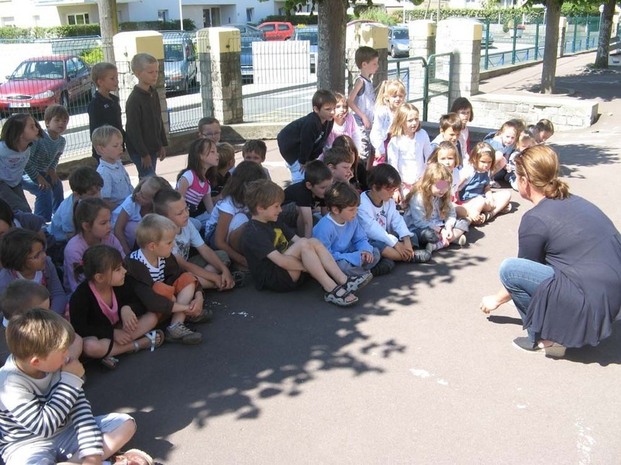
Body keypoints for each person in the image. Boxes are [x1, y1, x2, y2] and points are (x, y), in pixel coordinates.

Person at [480, 145, 621, 357]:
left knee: (510, 269)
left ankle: (545, 337)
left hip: (590, 303)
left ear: (525, 182)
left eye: (516, 176)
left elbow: (523, 271)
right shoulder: (575, 201)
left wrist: (496, 299)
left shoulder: (535, 219)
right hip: (612, 297)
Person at [0, 308, 152, 465]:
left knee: (125, 424)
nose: (68, 354)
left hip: (66, 432)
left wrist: (91, 453)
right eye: (62, 351)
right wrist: (70, 380)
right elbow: (44, 427)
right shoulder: (9, 383)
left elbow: (80, 410)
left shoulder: (58, 364)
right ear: (36, 361)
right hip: (27, 445)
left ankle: (80, 461)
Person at [241, 179, 367, 307]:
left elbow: (298, 240)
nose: (280, 210)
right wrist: (312, 267)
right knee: (304, 245)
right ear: (260, 208)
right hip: (275, 279)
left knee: (311, 241)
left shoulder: (273, 220)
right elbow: (281, 261)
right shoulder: (254, 232)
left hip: (288, 270)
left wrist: (314, 261)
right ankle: (331, 289)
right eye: (276, 206)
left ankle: (343, 280)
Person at [70, 245, 163, 369]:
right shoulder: (81, 296)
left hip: (123, 328)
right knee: (89, 346)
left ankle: (110, 352)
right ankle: (138, 344)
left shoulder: (123, 283)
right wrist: (111, 333)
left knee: (151, 318)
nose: (124, 271)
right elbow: (80, 328)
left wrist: (127, 308)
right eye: (118, 269)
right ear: (100, 277)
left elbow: (141, 304)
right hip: (102, 337)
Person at [122, 214, 207, 345]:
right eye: (169, 242)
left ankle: (176, 325)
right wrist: (186, 307)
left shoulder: (164, 255)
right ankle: (187, 314)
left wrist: (199, 297)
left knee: (187, 278)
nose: (173, 245)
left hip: (167, 305)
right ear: (152, 246)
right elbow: (151, 301)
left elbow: (184, 275)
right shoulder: (134, 265)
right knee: (159, 289)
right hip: (147, 308)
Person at [153, 188, 235, 292]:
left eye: (186, 209)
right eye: (180, 213)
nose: (186, 214)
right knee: (187, 277)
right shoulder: (164, 234)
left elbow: (204, 249)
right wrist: (214, 277)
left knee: (222, 256)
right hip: (173, 274)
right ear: (164, 217)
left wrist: (225, 270)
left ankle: (203, 284)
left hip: (189, 268)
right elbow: (183, 264)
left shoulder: (187, 224)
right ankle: (213, 283)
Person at [357, 164, 431, 265]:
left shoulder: (388, 201)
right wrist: (396, 244)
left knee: (410, 236)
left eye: (394, 189)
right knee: (380, 247)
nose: (392, 193)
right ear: (375, 187)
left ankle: (399, 255)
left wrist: (406, 239)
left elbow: (397, 220)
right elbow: (372, 229)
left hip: (388, 237)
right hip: (372, 240)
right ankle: (410, 256)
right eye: (388, 189)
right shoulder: (362, 204)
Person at [203, 161, 267, 270]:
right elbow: (219, 242)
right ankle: (242, 257)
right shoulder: (228, 205)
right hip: (214, 236)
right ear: (245, 186)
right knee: (241, 219)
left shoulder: (250, 198)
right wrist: (242, 259)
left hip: (233, 232)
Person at [313, 181, 380, 278]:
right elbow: (326, 256)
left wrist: (365, 251)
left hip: (350, 253)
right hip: (337, 259)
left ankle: (361, 273)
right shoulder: (324, 227)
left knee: (375, 252)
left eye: (356, 208)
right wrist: (354, 257)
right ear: (336, 210)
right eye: (351, 209)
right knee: (343, 266)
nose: (355, 212)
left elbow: (360, 239)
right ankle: (364, 274)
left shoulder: (352, 219)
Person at [403, 162, 469, 255]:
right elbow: (420, 222)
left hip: (439, 225)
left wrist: (448, 228)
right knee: (428, 235)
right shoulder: (418, 197)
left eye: (445, 186)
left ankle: (438, 244)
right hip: (421, 228)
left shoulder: (444, 195)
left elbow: (451, 213)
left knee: (464, 222)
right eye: (439, 186)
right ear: (428, 183)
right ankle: (452, 238)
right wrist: (441, 231)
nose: (443, 190)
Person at [63, 197, 125, 294]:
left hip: (112, 286)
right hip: (85, 296)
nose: (110, 226)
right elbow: (78, 286)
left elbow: (123, 262)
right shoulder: (74, 249)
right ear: (86, 226)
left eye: (109, 221)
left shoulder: (110, 238)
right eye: (103, 223)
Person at [0, 228, 66, 316]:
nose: (44, 256)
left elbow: (58, 293)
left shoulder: (47, 265)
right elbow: (12, 314)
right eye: (37, 255)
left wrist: (52, 317)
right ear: (19, 261)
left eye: (43, 250)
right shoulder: (6, 281)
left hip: (50, 316)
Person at [277, 89, 336, 183]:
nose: (332, 112)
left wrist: (312, 158)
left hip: (301, 147)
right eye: (328, 109)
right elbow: (306, 142)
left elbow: (322, 140)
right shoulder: (311, 122)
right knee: (300, 173)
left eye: (334, 108)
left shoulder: (329, 120)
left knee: (309, 171)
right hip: (290, 147)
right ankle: (296, 187)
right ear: (316, 109)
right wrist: (303, 161)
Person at [21, 105, 68, 221]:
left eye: (64, 121)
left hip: (42, 172)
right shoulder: (39, 138)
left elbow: (56, 157)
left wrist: (52, 170)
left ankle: (59, 215)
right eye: (57, 120)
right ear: (47, 122)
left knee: (57, 184)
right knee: (44, 190)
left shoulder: (61, 141)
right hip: (25, 173)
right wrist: (38, 177)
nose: (61, 123)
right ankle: (41, 221)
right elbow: (26, 161)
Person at [125, 53, 168, 178]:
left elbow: (158, 119)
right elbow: (133, 130)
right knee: (148, 179)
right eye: (150, 72)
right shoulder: (134, 100)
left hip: (152, 146)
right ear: (138, 73)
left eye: (156, 71)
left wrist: (161, 144)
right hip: (140, 150)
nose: (155, 75)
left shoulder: (153, 93)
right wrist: (143, 154)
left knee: (150, 178)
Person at [113, 175, 171, 254]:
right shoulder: (132, 201)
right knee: (133, 227)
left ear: (154, 202)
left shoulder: (157, 210)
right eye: (139, 190)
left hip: (135, 237)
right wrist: (127, 253)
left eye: (143, 196)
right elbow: (118, 229)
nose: (137, 195)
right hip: (115, 232)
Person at [386, 102, 432, 201]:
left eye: (416, 119)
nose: (414, 123)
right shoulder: (396, 141)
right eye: (410, 120)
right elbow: (392, 166)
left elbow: (429, 157)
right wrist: (396, 189)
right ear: (401, 121)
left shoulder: (422, 134)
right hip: (403, 184)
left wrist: (425, 177)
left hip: (420, 182)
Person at [458, 142, 512, 224]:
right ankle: (471, 218)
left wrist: (490, 197)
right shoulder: (468, 171)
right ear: (474, 159)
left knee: (506, 194)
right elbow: (455, 188)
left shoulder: (486, 171)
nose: (486, 165)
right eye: (483, 162)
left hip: (482, 198)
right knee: (481, 201)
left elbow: (486, 187)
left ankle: (489, 214)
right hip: (467, 202)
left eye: (489, 162)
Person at [0, 113, 43, 213]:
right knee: (22, 210)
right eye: (32, 127)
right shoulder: (3, 148)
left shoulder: (27, 147)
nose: (36, 129)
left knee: (24, 211)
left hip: (15, 182)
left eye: (35, 125)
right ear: (19, 133)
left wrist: (37, 177)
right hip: (2, 183)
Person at [281, 160, 332, 238]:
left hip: (300, 213)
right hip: (283, 212)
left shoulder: (321, 192)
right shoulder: (302, 191)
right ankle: (302, 239)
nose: (327, 190)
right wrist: (308, 242)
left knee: (317, 219)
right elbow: (307, 222)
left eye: (329, 186)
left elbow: (325, 214)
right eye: (323, 187)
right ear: (309, 185)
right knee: (303, 211)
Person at [176, 138, 218, 231]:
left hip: (193, 217)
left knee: (217, 217)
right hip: (179, 216)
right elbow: (177, 201)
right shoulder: (189, 176)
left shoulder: (206, 184)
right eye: (212, 152)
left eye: (216, 151)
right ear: (200, 156)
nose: (217, 154)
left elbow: (210, 210)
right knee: (197, 224)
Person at [347, 46, 379, 166]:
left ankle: (366, 175)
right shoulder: (360, 81)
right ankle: (360, 176)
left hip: (368, 122)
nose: (377, 66)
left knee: (370, 149)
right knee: (363, 150)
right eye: (374, 64)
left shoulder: (368, 81)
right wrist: (363, 116)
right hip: (361, 122)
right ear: (364, 64)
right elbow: (350, 101)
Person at [88, 61, 125, 160]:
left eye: (116, 78)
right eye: (112, 79)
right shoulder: (95, 104)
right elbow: (95, 131)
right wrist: (102, 150)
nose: (116, 81)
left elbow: (118, 125)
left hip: (116, 148)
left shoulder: (114, 100)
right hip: (104, 152)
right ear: (100, 82)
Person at [94, 124, 133, 209]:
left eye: (121, 144)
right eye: (115, 146)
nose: (121, 148)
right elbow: (104, 201)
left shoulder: (118, 163)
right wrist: (122, 209)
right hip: (119, 214)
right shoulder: (103, 173)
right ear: (101, 149)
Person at [369, 79, 406, 167]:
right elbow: (376, 131)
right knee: (381, 167)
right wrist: (379, 148)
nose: (398, 99)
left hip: (399, 142)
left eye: (400, 96)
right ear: (387, 97)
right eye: (394, 96)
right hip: (385, 143)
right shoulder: (383, 111)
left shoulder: (403, 111)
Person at [484, 120, 519, 186]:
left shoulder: (510, 145)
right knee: (499, 154)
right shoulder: (496, 141)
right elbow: (488, 155)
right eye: (507, 136)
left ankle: (488, 177)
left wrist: (507, 166)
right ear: (501, 134)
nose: (509, 140)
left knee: (503, 161)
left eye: (512, 138)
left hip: (492, 162)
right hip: (483, 158)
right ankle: (484, 175)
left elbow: (506, 158)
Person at [449, 97, 474, 164]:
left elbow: (466, 148)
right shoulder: (451, 129)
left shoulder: (466, 129)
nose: (466, 116)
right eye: (463, 113)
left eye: (468, 112)